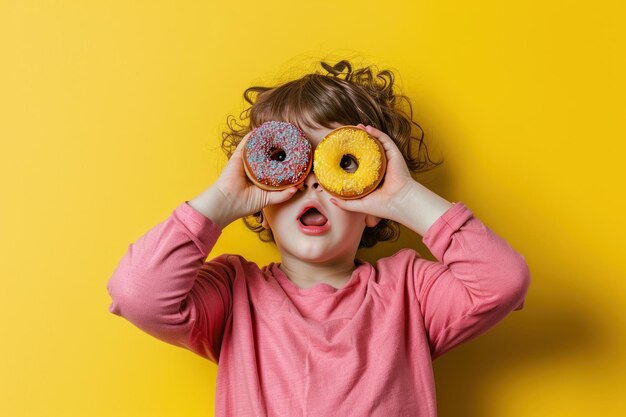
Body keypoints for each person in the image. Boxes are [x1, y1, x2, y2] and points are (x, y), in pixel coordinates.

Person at [106, 59, 531, 416]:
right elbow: (138, 294)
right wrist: (224, 198)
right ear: (262, 205)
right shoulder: (234, 294)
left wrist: (403, 196)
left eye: (340, 165)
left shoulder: (410, 291)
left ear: (371, 207)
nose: (311, 183)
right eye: (287, 163)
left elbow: (502, 282)